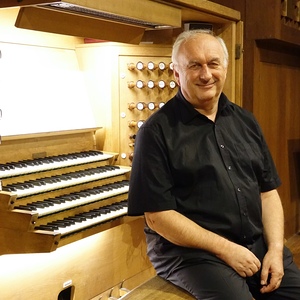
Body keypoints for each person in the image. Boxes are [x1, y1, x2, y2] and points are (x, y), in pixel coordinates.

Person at [127, 29, 300, 300]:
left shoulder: (246, 121)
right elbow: (158, 217)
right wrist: (227, 249)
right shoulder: (156, 131)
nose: (206, 74)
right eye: (194, 65)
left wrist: (276, 249)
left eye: (213, 63)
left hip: (254, 245)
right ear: (176, 74)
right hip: (193, 255)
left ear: (225, 67)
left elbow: (267, 193)